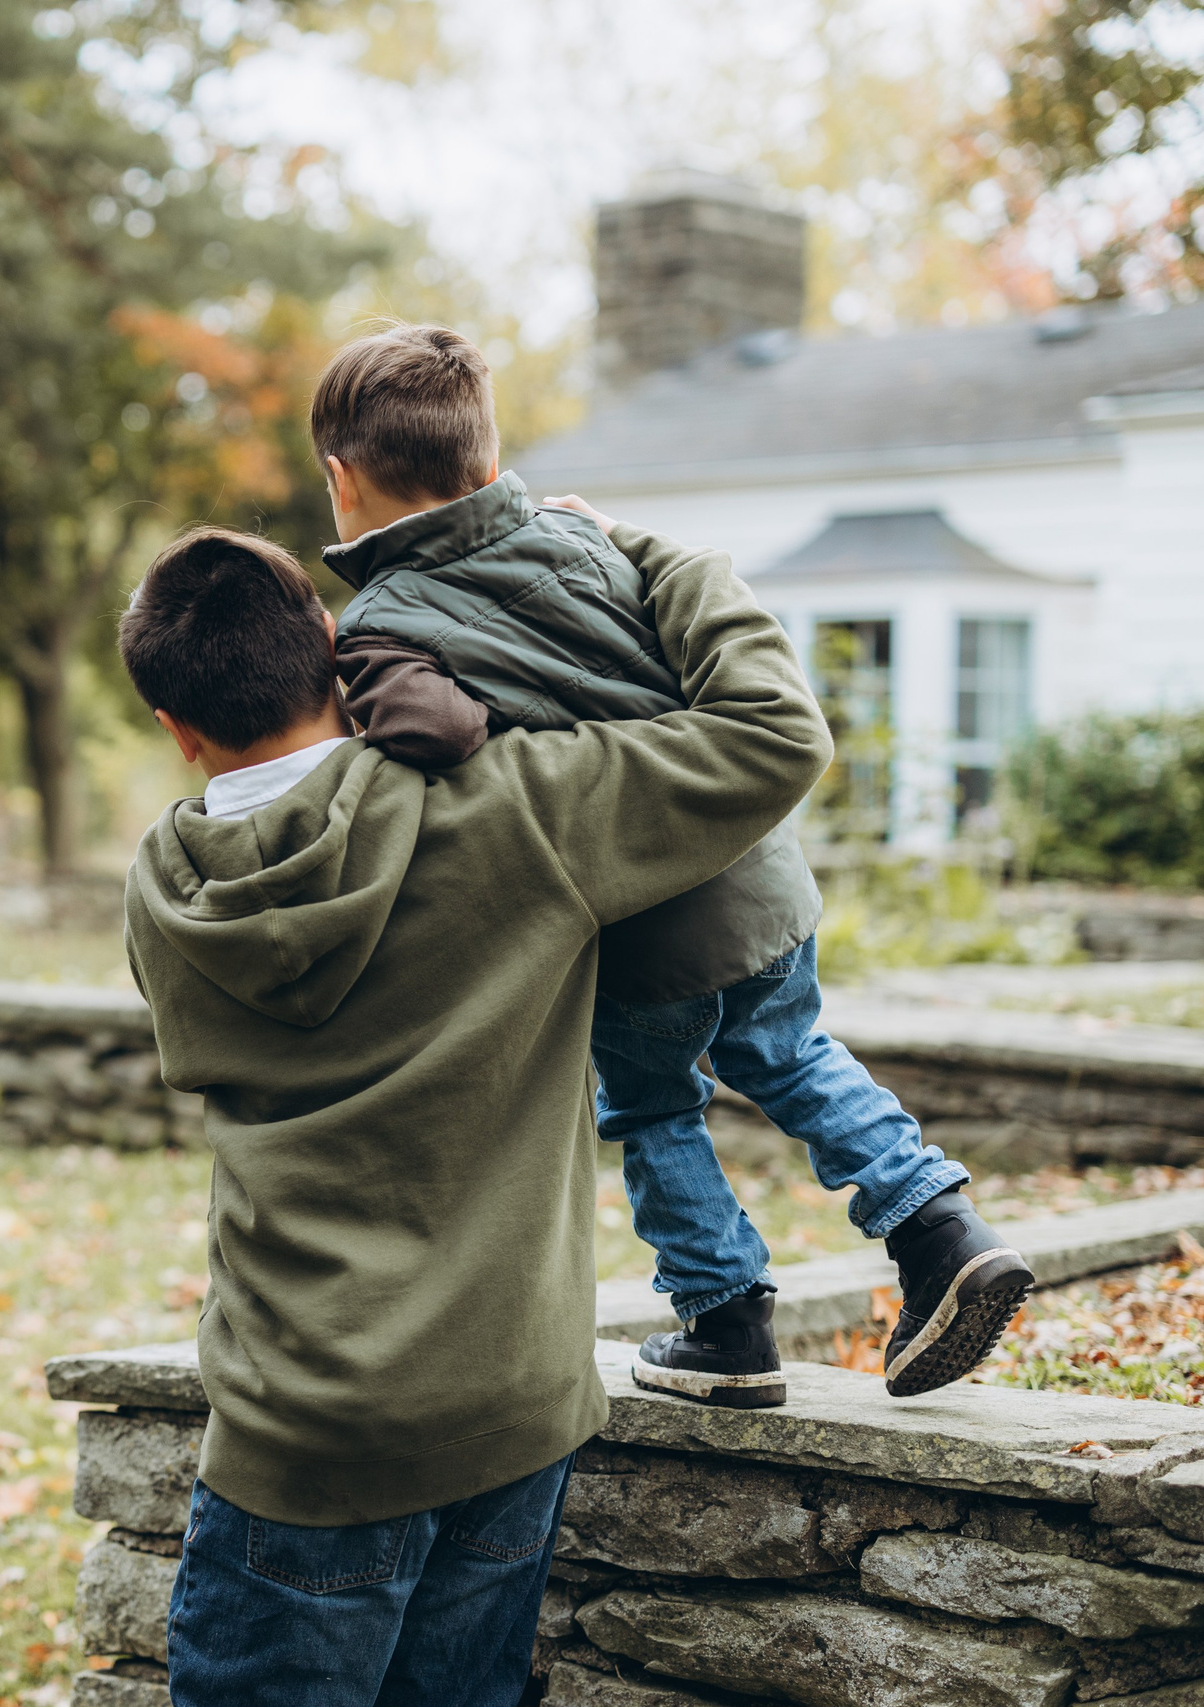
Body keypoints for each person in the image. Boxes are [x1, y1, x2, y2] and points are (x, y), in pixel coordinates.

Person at [118, 510, 824, 1704]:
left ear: (176, 731)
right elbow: (769, 733)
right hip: (511, 1411)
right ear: (332, 648)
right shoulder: (519, 811)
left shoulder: (164, 891)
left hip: (306, 1434)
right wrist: (664, 557)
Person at [319, 324, 1033, 1409]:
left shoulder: (378, 622)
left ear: (340, 480)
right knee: (791, 1054)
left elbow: (440, 740)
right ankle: (940, 1227)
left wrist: (369, 685)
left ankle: (722, 1317)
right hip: (757, 879)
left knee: (651, 1105)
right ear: (488, 452)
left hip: (638, 924)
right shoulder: (601, 543)